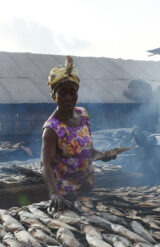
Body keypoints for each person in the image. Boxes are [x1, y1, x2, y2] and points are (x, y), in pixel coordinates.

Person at [41, 56, 116, 212]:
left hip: (88, 190)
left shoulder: (83, 115)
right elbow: (45, 164)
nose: (68, 98)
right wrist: (54, 193)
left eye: (72, 93)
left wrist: (104, 155)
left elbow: (89, 151)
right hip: (66, 197)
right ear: (54, 95)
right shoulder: (52, 129)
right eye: (63, 94)